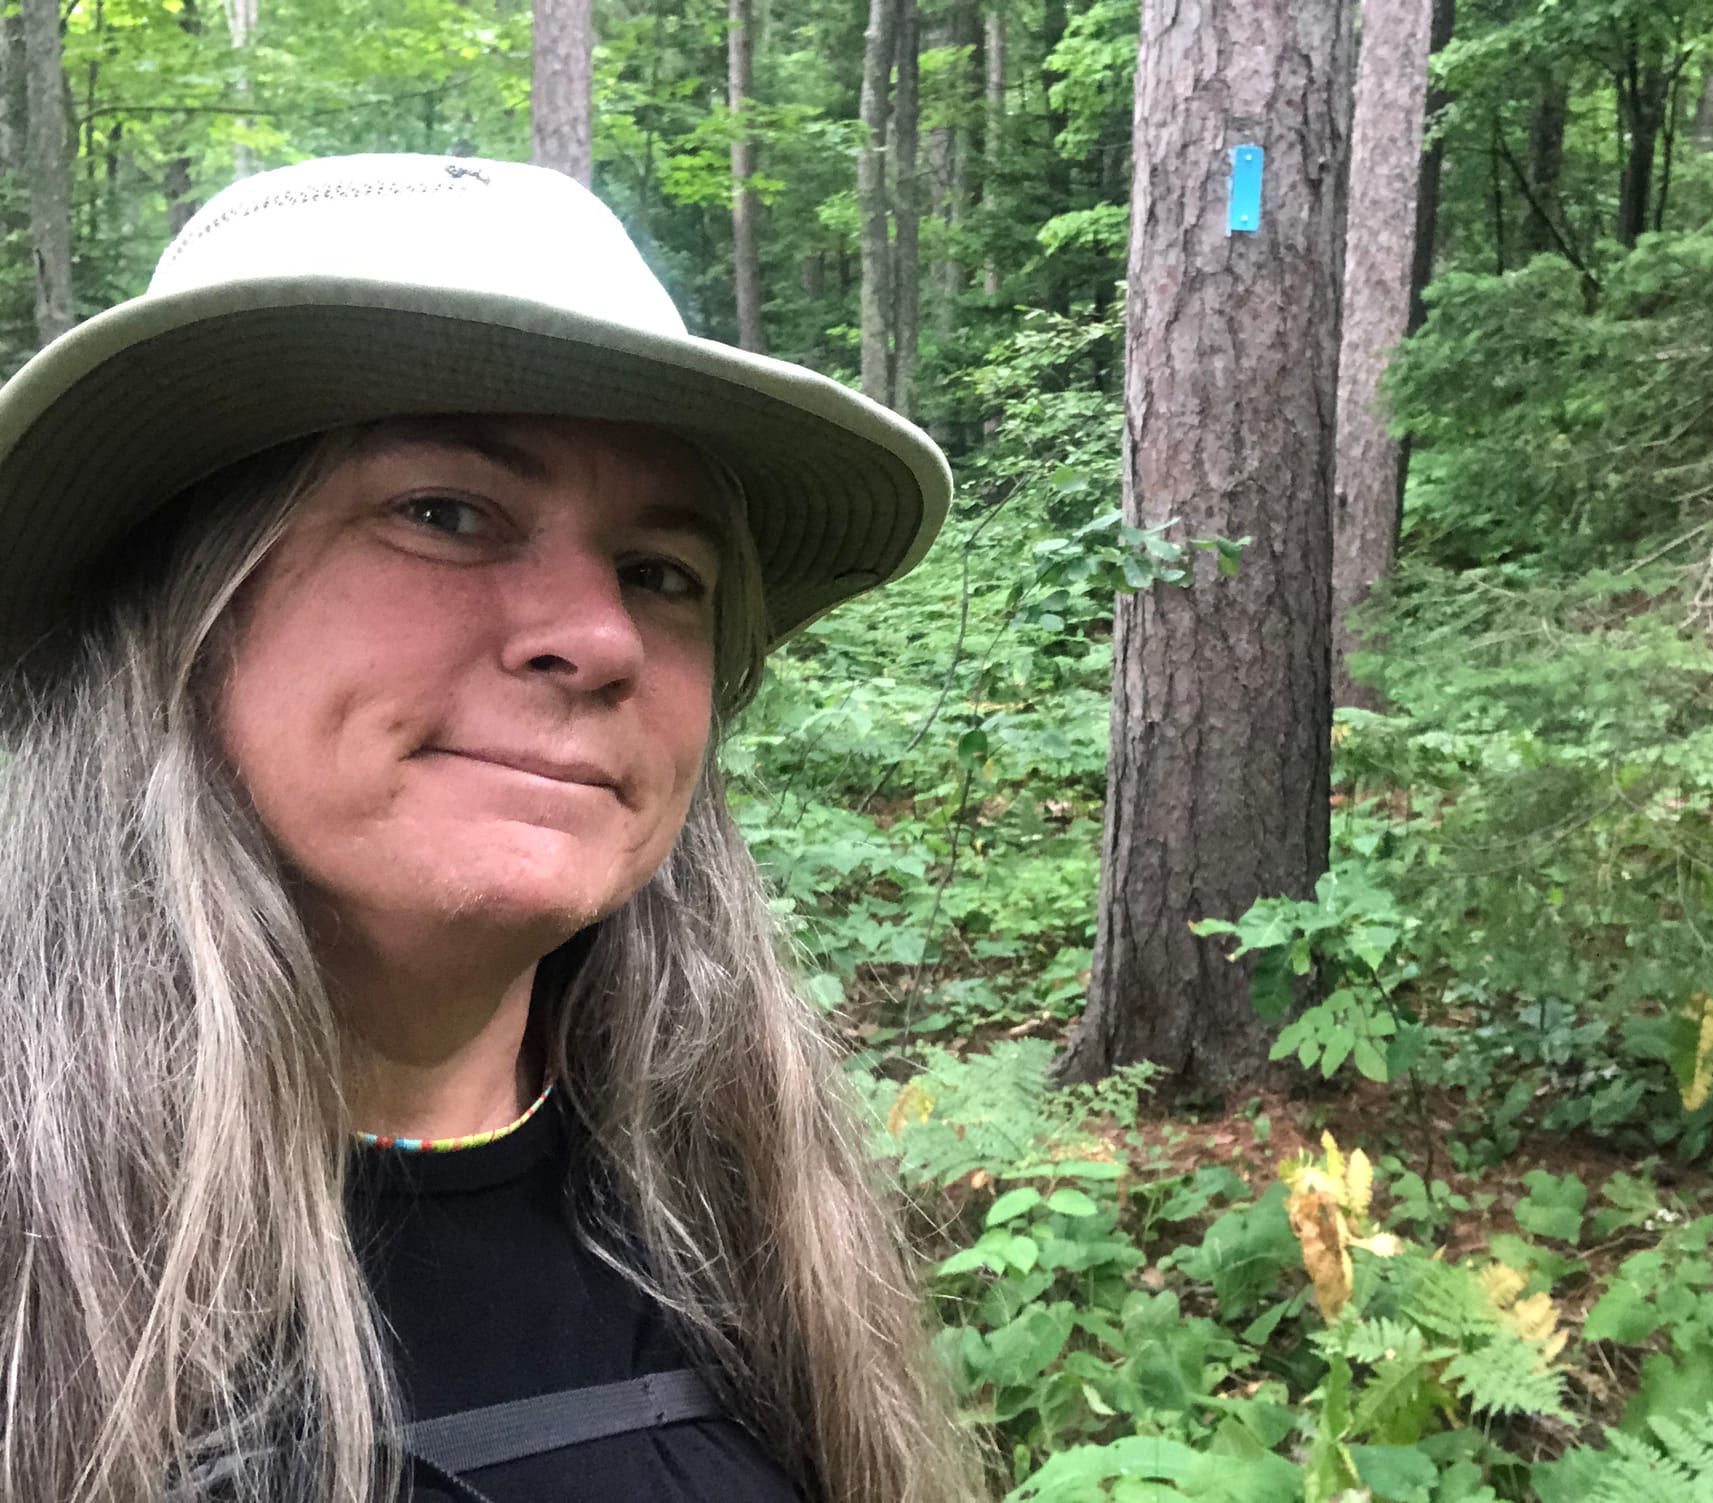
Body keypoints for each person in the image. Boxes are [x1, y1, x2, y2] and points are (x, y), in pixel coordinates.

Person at [0, 155, 984, 1503]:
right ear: (178, 611)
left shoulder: (760, 1238)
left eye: (661, 572)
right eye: (447, 513)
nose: (600, 636)